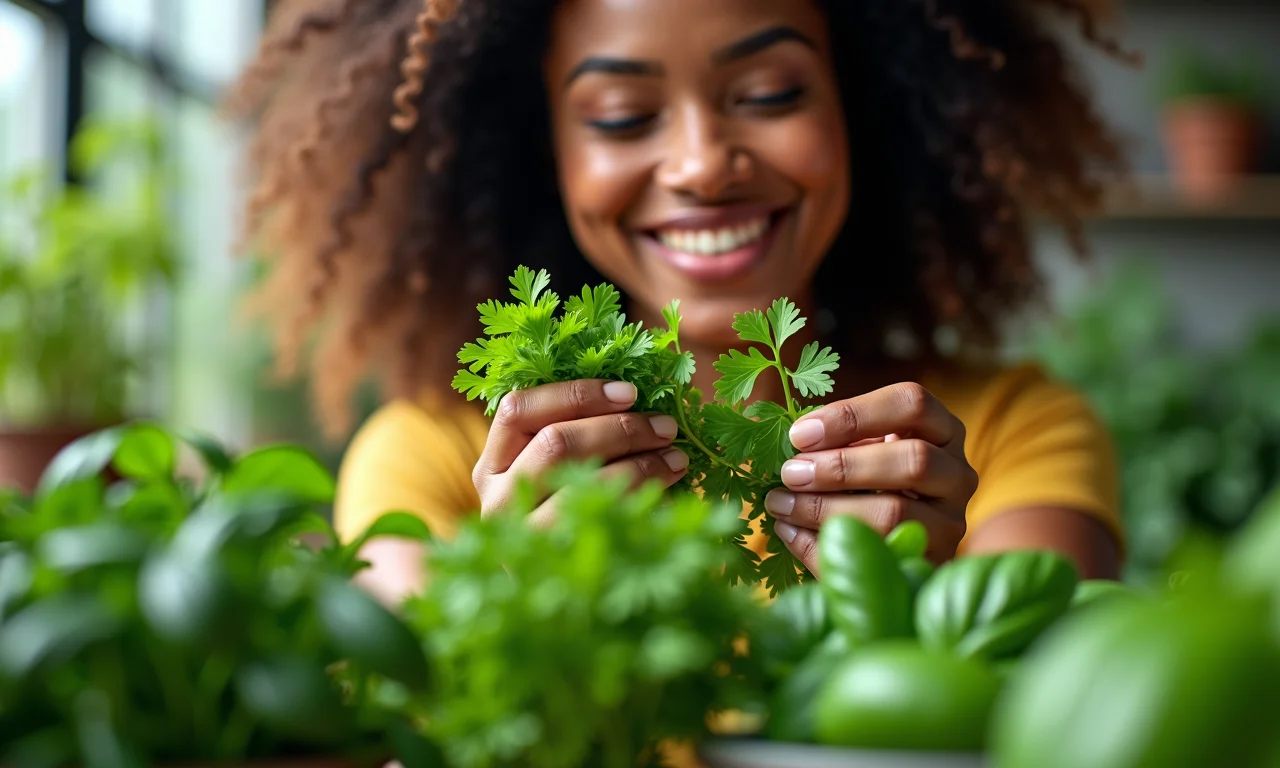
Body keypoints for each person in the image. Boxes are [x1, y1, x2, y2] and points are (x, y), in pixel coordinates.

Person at [226, 0, 1132, 606]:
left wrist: (913, 601)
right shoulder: (432, 461)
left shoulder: (1010, 433)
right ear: (541, 152)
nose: (703, 163)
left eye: (771, 94)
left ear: (862, 109)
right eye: (621, 115)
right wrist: (513, 591)